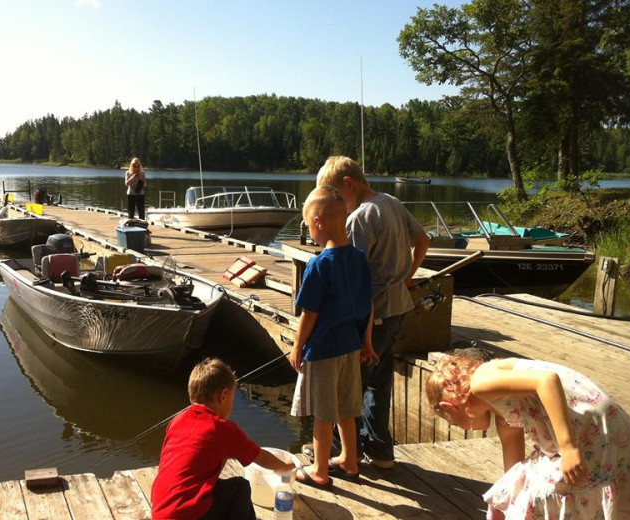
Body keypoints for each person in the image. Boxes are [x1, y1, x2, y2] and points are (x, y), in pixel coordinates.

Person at [427, 348, 630, 519]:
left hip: (597, 429)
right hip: (585, 434)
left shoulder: (482, 382)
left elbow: (546, 380)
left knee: (551, 488)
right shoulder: (502, 413)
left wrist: (567, 448)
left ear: (449, 407)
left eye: (456, 424)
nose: (464, 428)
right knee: (526, 487)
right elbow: (513, 475)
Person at [315, 155, 430, 469]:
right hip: (399, 308)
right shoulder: (391, 201)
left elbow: (352, 273)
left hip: (373, 314)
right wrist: (407, 276)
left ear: (349, 185)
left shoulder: (359, 218)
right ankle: (380, 453)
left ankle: (338, 454)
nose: (337, 206)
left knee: (348, 384)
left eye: (337, 197)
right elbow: (423, 239)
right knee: (379, 381)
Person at [289, 185, 378, 489]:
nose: (309, 231)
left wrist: (298, 346)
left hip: (324, 351)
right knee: (347, 409)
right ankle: (350, 461)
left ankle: (319, 470)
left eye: (307, 225)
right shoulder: (359, 259)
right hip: (352, 347)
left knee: (324, 414)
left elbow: (309, 313)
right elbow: (368, 305)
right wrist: (367, 342)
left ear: (318, 222)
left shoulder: (319, 264)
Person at [151, 358, 295, 520]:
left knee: (217, 487)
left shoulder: (177, 420)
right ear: (223, 395)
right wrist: (285, 466)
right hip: (187, 513)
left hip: (160, 510)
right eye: (232, 400)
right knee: (240, 487)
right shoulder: (222, 429)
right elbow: (261, 457)